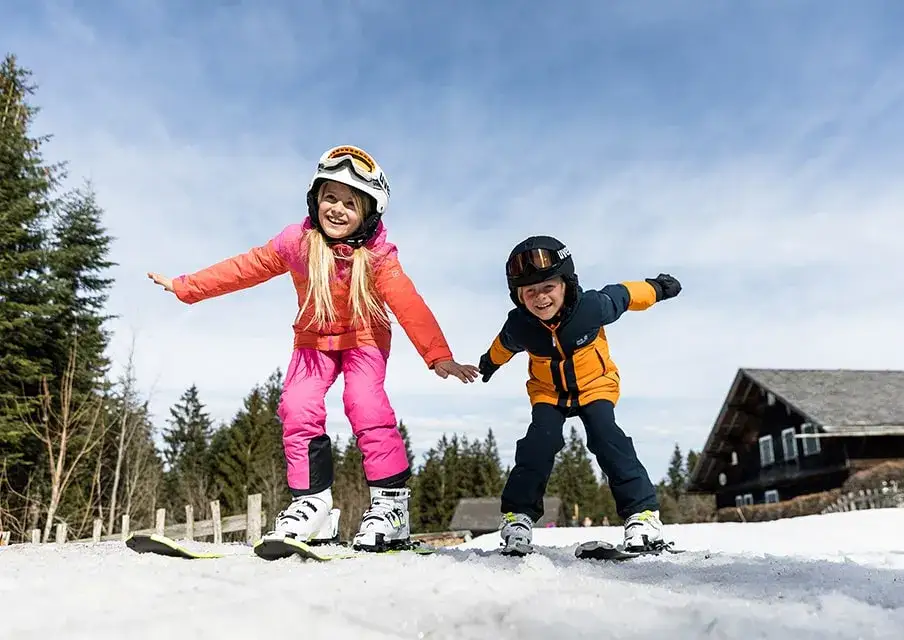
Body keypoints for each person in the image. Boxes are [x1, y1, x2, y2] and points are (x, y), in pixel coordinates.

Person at [147, 145, 479, 552]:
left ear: (369, 212)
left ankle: (391, 507)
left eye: (350, 203)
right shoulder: (296, 243)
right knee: (297, 404)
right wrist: (186, 286)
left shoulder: (379, 257)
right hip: (313, 337)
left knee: (364, 401)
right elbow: (243, 268)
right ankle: (313, 506)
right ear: (315, 199)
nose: (337, 209)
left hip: (365, 336)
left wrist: (438, 354)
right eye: (330, 197)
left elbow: (409, 303)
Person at [477, 235, 681, 554]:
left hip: (594, 385)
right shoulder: (520, 325)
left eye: (548, 287)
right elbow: (503, 345)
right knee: (538, 444)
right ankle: (518, 518)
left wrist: (658, 288)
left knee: (606, 436)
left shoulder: (591, 307)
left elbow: (626, 294)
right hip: (549, 393)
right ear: (518, 297)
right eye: (530, 292)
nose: (540, 298)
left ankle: (642, 515)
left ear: (566, 284)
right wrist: (489, 363)